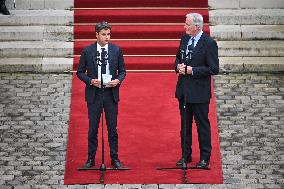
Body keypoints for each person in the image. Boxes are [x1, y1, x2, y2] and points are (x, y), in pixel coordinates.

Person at [77, 21, 126, 169]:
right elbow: (79, 72)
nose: (107, 37)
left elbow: (123, 71)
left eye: (108, 34)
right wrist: (90, 81)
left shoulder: (116, 50)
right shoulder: (87, 51)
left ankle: (114, 158)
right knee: (93, 128)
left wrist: (117, 80)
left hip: (111, 94)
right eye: (104, 34)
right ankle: (91, 158)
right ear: (96, 35)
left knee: (112, 128)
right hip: (94, 94)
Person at [174, 13, 219, 169]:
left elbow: (213, 68)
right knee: (185, 126)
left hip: (199, 93)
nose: (184, 27)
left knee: (202, 126)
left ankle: (205, 158)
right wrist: (178, 66)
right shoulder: (185, 38)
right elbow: (178, 57)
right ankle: (185, 156)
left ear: (197, 27)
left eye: (187, 24)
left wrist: (192, 70)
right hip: (184, 91)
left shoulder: (209, 43)